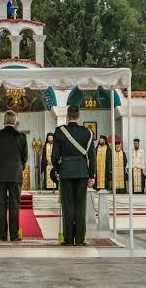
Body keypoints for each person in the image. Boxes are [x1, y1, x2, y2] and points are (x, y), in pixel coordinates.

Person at [51, 105, 96, 246]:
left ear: (68, 116)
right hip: (82, 172)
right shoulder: (87, 133)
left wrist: (59, 169)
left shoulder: (59, 131)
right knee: (80, 206)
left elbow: (54, 156)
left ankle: (69, 239)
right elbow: (91, 157)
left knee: (68, 206)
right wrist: (91, 175)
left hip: (66, 172)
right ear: (78, 116)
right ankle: (80, 239)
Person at [0, 111, 28, 242]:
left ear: (4, 121)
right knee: (15, 205)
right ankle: (14, 235)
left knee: (0, 205)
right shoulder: (21, 136)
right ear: (15, 122)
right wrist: (18, 168)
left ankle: (2, 235)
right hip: (15, 175)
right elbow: (24, 157)